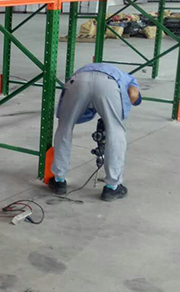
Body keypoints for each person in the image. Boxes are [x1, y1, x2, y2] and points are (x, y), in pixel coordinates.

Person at [48, 63, 142, 201]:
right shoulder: (130, 80)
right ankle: (112, 187)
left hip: (78, 80)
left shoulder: (110, 70)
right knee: (115, 130)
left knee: (64, 127)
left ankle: (59, 180)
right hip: (109, 84)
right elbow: (134, 95)